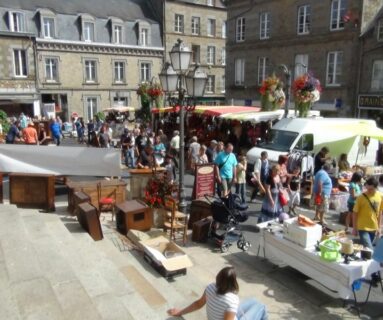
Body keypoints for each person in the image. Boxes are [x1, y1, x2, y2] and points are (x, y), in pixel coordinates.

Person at [167, 266, 268, 320]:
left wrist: (180, 312)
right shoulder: (232, 300)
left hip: (228, 314)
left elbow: (198, 304)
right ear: (233, 282)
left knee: (254, 301)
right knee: (262, 307)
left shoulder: (211, 287)